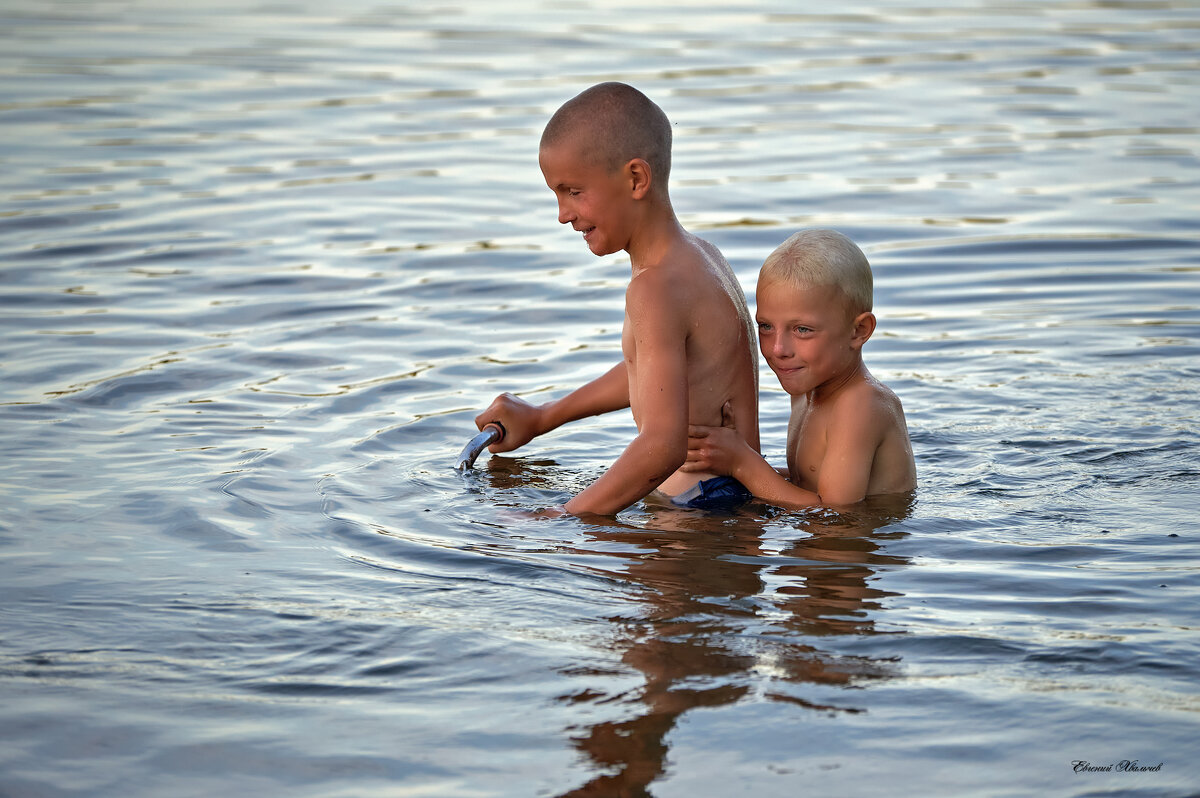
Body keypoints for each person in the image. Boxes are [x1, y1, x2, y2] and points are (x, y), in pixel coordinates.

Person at [473, 82, 760, 516]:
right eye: (556, 194)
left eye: (573, 191)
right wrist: (543, 416)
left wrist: (563, 518)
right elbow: (651, 371)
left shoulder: (655, 287)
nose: (562, 214)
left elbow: (662, 445)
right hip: (723, 498)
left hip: (700, 512)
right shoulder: (700, 258)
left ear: (635, 179)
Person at [684, 229, 916, 508]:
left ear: (859, 331)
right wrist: (735, 459)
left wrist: (742, 464)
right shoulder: (805, 394)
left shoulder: (861, 405)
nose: (778, 349)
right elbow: (807, 484)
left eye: (802, 329)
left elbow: (837, 517)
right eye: (766, 326)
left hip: (854, 545)